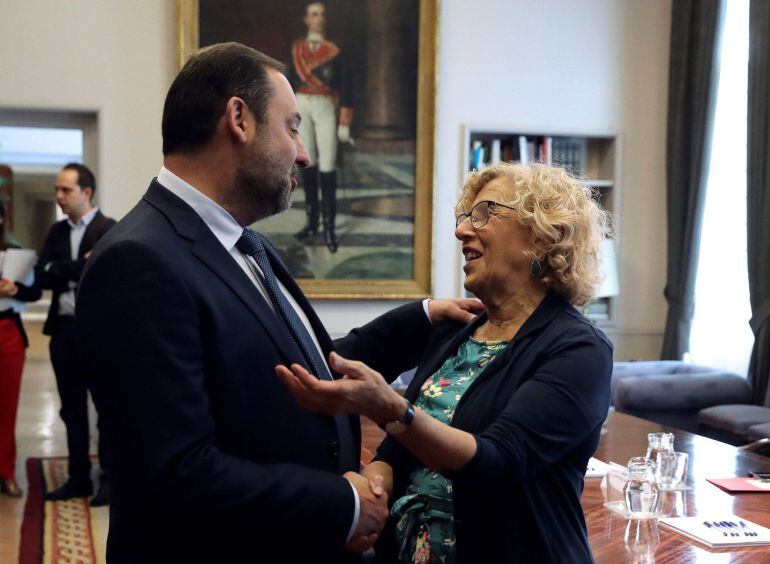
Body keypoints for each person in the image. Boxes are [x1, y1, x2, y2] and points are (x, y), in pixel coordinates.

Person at [75, 42, 481, 563]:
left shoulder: (243, 241)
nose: (305, 152)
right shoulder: (138, 262)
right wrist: (345, 504)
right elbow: (177, 470)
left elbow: (302, 371)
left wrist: (422, 317)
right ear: (239, 120)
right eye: (292, 127)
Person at [277, 162, 614, 563]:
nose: (461, 230)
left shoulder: (580, 348)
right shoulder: (456, 331)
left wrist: (388, 407)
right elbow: (402, 445)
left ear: (541, 236)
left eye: (484, 214)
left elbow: (498, 463)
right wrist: (377, 481)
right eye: (465, 216)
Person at [38, 163, 116, 506]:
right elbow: (42, 276)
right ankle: (80, 477)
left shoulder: (108, 229)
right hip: (63, 331)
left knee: (107, 409)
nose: (59, 196)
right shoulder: (56, 232)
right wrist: (77, 267)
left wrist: (63, 270)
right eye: (57, 189)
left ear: (86, 192)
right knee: (71, 409)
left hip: (99, 334)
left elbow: (105, 274)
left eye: (65, 190)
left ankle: (111, 479)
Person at [290, 1, 354, 253]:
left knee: (327, 166)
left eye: (322, 15)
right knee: (309, 163)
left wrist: (344, 122)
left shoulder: (335, 51)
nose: (319, 19)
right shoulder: (296, 49)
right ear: (306, 19)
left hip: (326, 106)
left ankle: (329, 227)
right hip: (301, 105)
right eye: (314, 15)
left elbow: (347, 87)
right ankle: (312, 223)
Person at [0, 200, 41, 497]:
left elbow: (35, 291)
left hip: (8, 331)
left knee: (7, 407)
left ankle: (6, 472)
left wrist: (15, 289)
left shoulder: (15, 254)